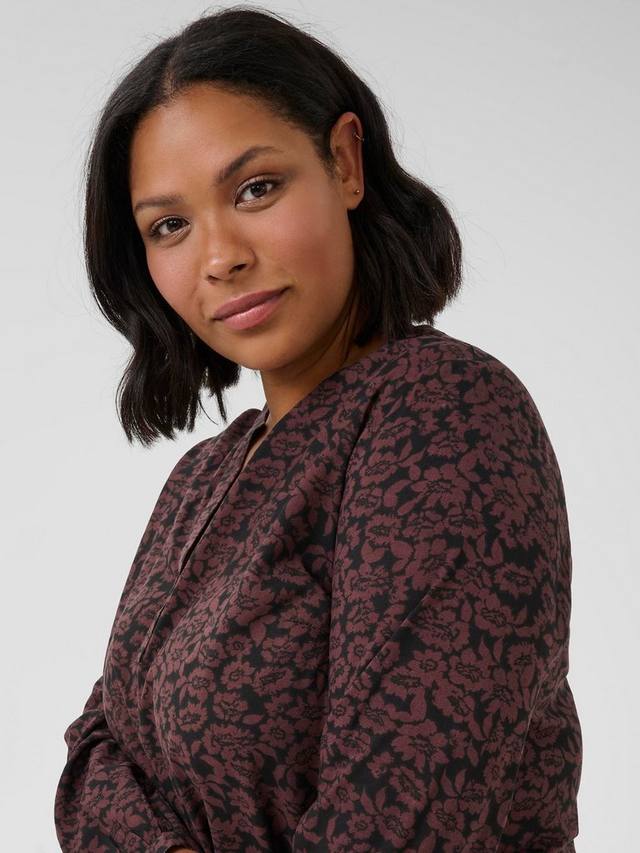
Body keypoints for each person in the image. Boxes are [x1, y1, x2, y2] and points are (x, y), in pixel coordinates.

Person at [53, 5, 582, 851]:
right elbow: (93, 758)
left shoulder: (445, 414)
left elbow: (403, 812)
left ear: (343, 163)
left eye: (255, 189)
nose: (220, 256)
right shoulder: (203, 479)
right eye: (170, 226)